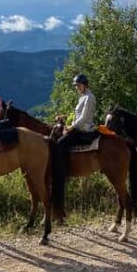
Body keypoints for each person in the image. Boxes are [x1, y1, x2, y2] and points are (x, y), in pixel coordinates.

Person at [52, 74, 97, 213]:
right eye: (76, 86)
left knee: (59, 144)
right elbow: (77, 115)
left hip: (83, 130)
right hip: (78, 127)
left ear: (85, 85)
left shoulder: (89, 97)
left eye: (79, 85)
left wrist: (71, 127)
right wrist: (66, 119)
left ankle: (63, 170)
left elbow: (84, 118)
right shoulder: (83, 97)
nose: (77, 87)